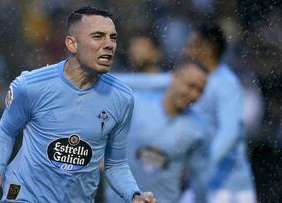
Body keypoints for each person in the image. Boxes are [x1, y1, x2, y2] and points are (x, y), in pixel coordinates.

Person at [0, 6, 156, 203]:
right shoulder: (31, 86)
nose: (109, 44)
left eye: (112, 37)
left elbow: (115, 163)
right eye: (98, 36)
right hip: (24, 196)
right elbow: (6, 131)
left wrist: (133, 194)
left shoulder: (122, 97)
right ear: (72, 43)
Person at [105, 59, 210, 203]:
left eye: (200, 90)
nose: (194, 95)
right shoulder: (136, 104)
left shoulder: (199, 129)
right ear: (173, 78)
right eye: (190, 86)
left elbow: (199, 179)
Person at [180, 23, 256, 203]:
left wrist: (203, 164)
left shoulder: (226, 84)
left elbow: (229, 132)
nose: (185, 50)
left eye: (191, 45)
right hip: (202, 186)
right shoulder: (195, 82)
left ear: (206, 49)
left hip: (229, 189)